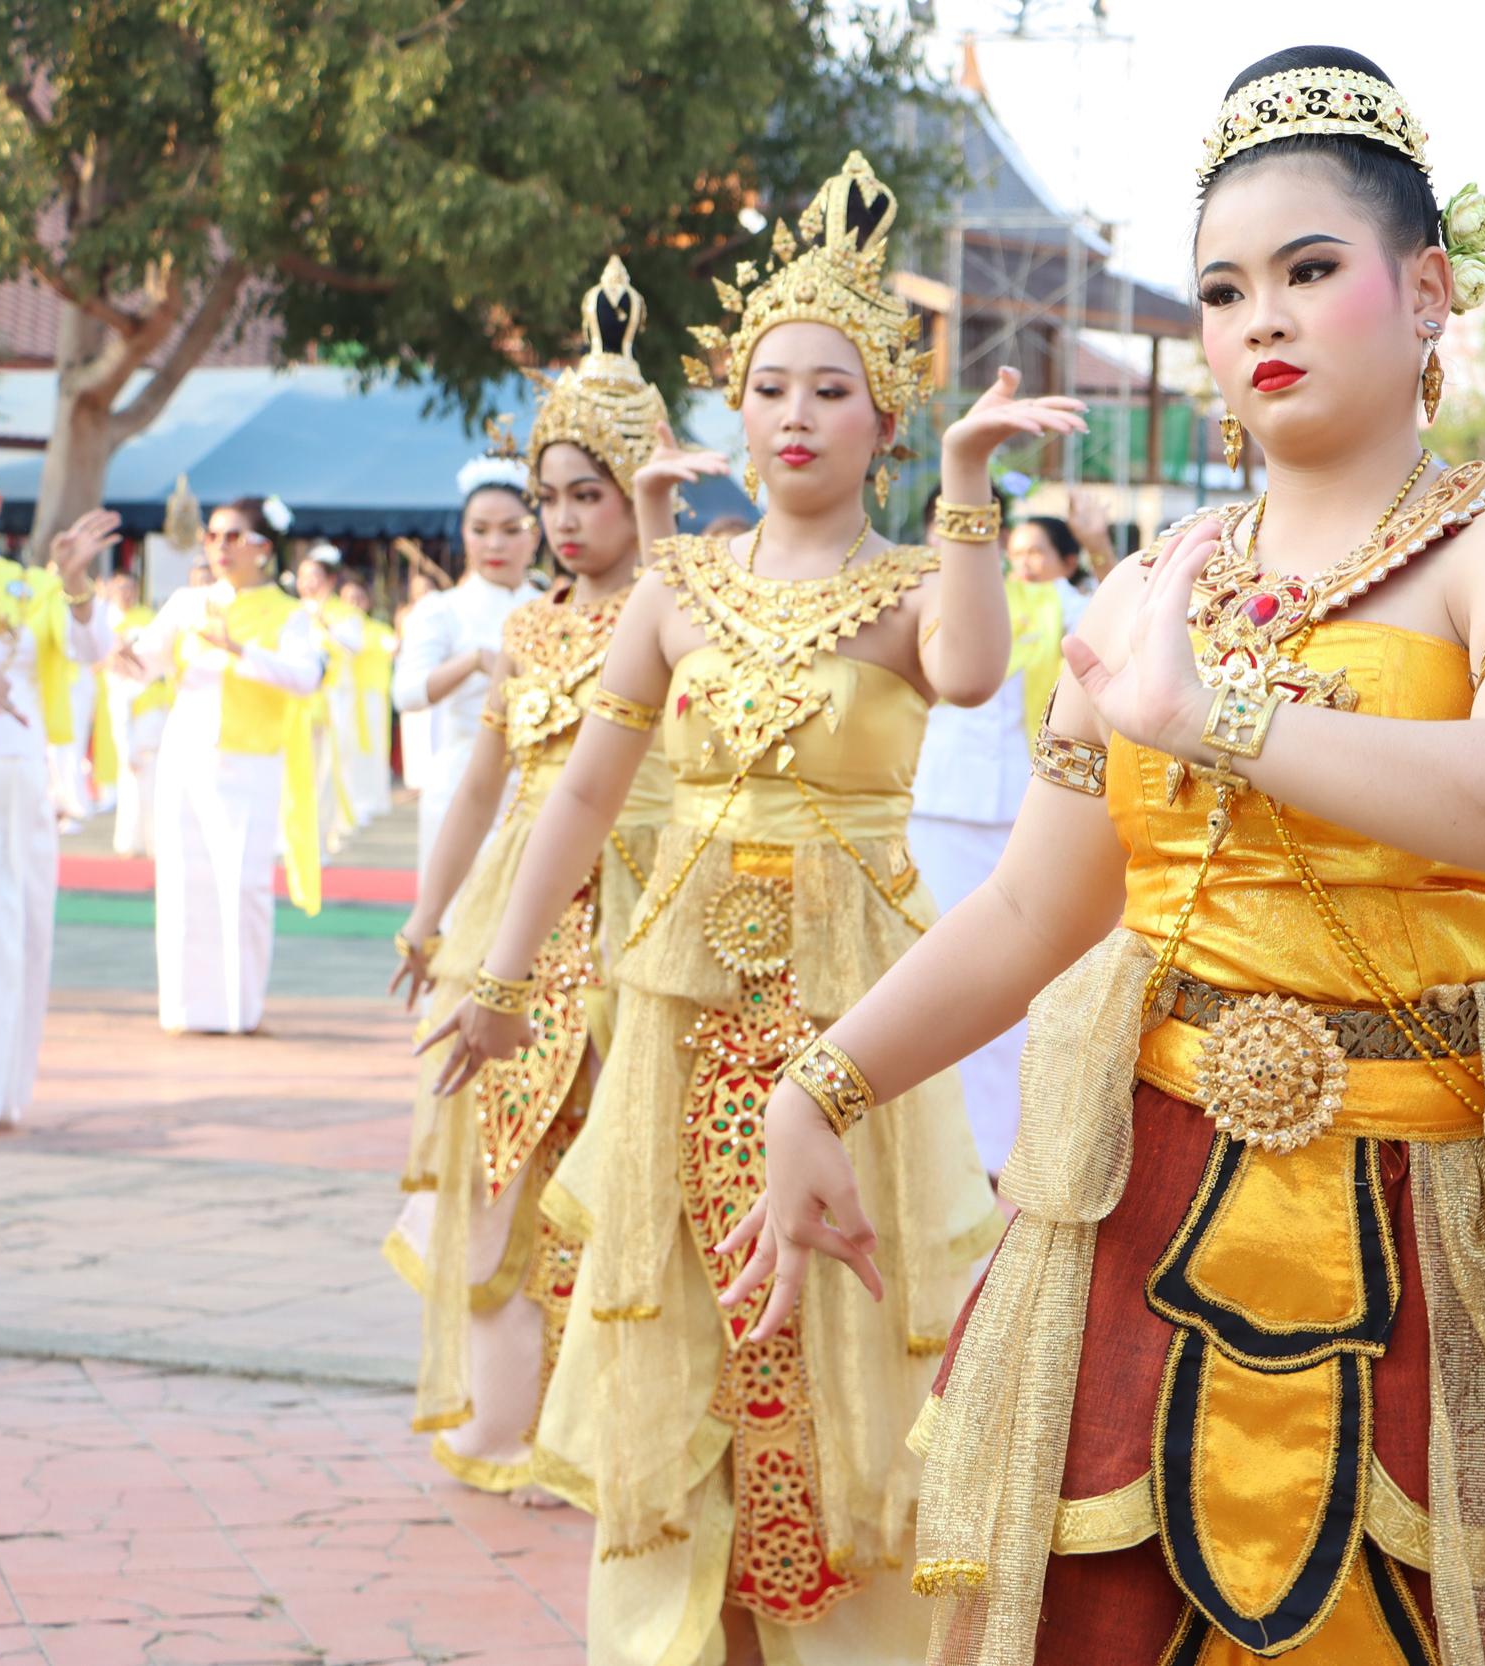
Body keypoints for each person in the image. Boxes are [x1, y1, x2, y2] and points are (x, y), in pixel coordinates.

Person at [713, 52, 1485, 1663]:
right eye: (1225, 291)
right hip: (1143, 1200)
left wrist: (1213, 713)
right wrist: (826, 1079)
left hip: (1414, 1217)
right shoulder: (1154, 585)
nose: (1262, 323)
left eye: (1312, 270)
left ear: (1426, 290)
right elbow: (1034, 908)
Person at [419, 152, 1041, 1663]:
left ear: (885, 420)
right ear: (735, 412)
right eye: (770, 387)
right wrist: (496, 981)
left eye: (832, 391)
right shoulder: (678, 582)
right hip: (681, 1008)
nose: (794, 416)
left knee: (841, 1319)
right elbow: (574, 795)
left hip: (851, 1015)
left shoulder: (907, 582)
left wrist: (967, 489)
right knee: (686, 1316)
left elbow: (969, 674)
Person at [386, 259, 675, 1499]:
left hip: (645, 913)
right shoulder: (531, 628)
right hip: (520, 918)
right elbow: (477, 786)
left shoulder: (685, 606)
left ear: (640, 492)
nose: (563, 519)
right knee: (502, 1177)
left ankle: (620, 1441)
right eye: (549, 495)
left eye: (590, 493)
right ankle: (511, 1432)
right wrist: (426, 911)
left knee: (629, 1174)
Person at [906, 510, 1073, 1175]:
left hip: (1018, 808)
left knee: (1012, 990)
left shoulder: (1044, 602)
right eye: (940, 530)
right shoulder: (909, 598)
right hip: (934, 808)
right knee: (933, 979)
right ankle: (940, 1146)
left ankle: (1003, 1145)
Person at [128, 495, 327, 1034]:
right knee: (183, 880)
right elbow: (140, 666)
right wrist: (94, 628)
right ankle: (189, 1010)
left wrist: (241, 652)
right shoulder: (187, 605)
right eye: (213, 537)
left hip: (249, 764)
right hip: (184, 757)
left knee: (242, 886)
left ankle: (240, 1010)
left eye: (233, 536)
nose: (219, 547)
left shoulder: (289, 615)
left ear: (263, 547)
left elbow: (305, 677)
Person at [0, 461, 120, 1130]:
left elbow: (91, 644)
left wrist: (73, 582)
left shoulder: (32, 587)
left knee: (15, 933)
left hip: (12, 777)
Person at [393, 452, 539, 884]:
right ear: (464, 534)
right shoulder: (442, 610)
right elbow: (408, 693)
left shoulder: (553, 607)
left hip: (536, 789)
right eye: (481, 531)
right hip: (460, 781)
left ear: (536, 534)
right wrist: (474, 661)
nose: (494, 544)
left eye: (511, 530)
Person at [296, 545, 367, 852]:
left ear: (329, 579)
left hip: (334, 703)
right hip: (298, 702)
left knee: (327, 773)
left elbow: (354, 646)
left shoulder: (344, 614)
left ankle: (320, 838)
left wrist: (327, 625)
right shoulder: (292, 612)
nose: (307, 583)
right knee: (297, 771)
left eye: (314, 576)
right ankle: (293, 839)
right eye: (303, 576)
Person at [99, 570, 168, 858]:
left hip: (151, 699)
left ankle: (153, 841)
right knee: (129, 770)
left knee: (154, 777)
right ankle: (129, 840)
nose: (125, 593)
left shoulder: (149, 617)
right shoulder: (106, 620)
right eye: (120, 588)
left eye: (129, 588)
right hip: (120, 694)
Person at [341, 577, 398, 825]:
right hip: (343, 697)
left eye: (357, 598)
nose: (352, 603)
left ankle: (372, 800)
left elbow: (393, 647)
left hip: (372, 697)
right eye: (347, 598)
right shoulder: (332, 626)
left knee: (372, 749)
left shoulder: (377, 629)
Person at [1007, 513, 1093, 626]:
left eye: (1034, 553)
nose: (1023, 564)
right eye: (1016, 554)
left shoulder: (1082, 611)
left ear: (1069, 562)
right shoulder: (1002, 606)